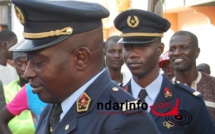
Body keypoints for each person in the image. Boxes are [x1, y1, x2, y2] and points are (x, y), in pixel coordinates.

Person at [10, 1, 160, 134]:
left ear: (81, 58)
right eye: (28, 60)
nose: (27, 73)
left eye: (38, 62)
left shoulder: (126, 122)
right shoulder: (55, 107)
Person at [114, 9, 215, 133]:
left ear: (160, 49)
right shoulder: (111, 100)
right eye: (128, 47)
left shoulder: (189, 101)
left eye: (142, 47)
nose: (133, 54)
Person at [169, 30, 215, 125]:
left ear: (197, 52)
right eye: (172, 49)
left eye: (184, 48)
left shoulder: (212, 85)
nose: (176, 53)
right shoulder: (163, 88)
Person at [0, 51, 35, 134]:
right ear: (14, 65)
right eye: (19, 64)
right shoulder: (6, 91)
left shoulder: (42, 89)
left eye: (27, 63)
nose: (23, 68)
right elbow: (9, 124)